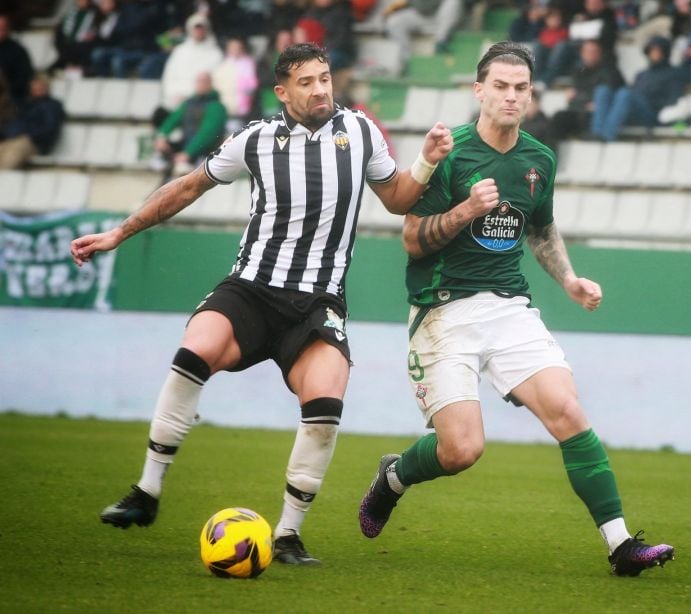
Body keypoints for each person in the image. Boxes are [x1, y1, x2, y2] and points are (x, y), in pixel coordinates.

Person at [69, 42, 453, 567]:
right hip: (251, 289)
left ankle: (289, 534)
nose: (320, 88)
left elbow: (397, 198)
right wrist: (120, 232)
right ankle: (147, 491)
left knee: (326, 399)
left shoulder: (360, 131)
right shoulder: (256, 139)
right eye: (307, 81)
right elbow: (187, 188)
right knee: (194, 351)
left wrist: (426, 162)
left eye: (325, 77)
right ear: (282, 91)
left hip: (316, 301)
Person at [357, 41, 675, 578]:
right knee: (460, 450)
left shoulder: (539, 158)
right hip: (443, 311)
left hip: (509, 307)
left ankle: (621, 545)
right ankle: (393, 477)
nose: (510, 96)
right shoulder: (448, 152)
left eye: (520, 87)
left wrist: (570, 279)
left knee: (568, 411)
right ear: (478, 91)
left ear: (531, 94)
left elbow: (541, 228)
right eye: (499, 86)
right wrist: (464, 211)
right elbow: (413, 241)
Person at [590, 34, 685, 142]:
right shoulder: (642, 74)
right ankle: (597, 134)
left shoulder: (673, 73)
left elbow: (674, 101)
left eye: (658, 50)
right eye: (652, 50)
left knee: (626, 94)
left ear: (665, 52)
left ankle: (607, 136)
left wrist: (648, 101)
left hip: (653, 115)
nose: (654, 53)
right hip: (634, 111)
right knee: (603, 91)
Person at [153, 71, 228, 180]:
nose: (200, 84)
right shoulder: (189, 104)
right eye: (198, 81)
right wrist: (162, 136)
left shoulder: (217, 107)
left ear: (210, 84)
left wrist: (188, 153)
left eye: (204, 81)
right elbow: (173, 120)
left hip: (204, 153)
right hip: (186, 147)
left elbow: (207, 134)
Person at [549, 38, 624, 141]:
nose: (590, 54)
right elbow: (572, 98)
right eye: (587, 51)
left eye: (593, 51)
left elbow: (607, 97)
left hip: (595, 115)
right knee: (558, 118)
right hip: (580, 109)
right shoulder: (579, 71)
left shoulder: (610, 72)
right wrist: (583, 101)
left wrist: (582, 99)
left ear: (600, 53)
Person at [0, 73, 65, 169]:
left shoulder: (52, 106)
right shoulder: (26, 105)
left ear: (46, 87)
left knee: (11, 155)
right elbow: (14, 124)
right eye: (34, 85)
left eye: (40, 85)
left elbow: (48, 128)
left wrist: (29, 135)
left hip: (31, 142)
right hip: (12, 140)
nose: (36, 88)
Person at [0, 13, 34, 104]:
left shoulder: (17, 51)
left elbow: (24, 78)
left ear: (8, 29)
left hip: (10, 98)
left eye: (3, 28)